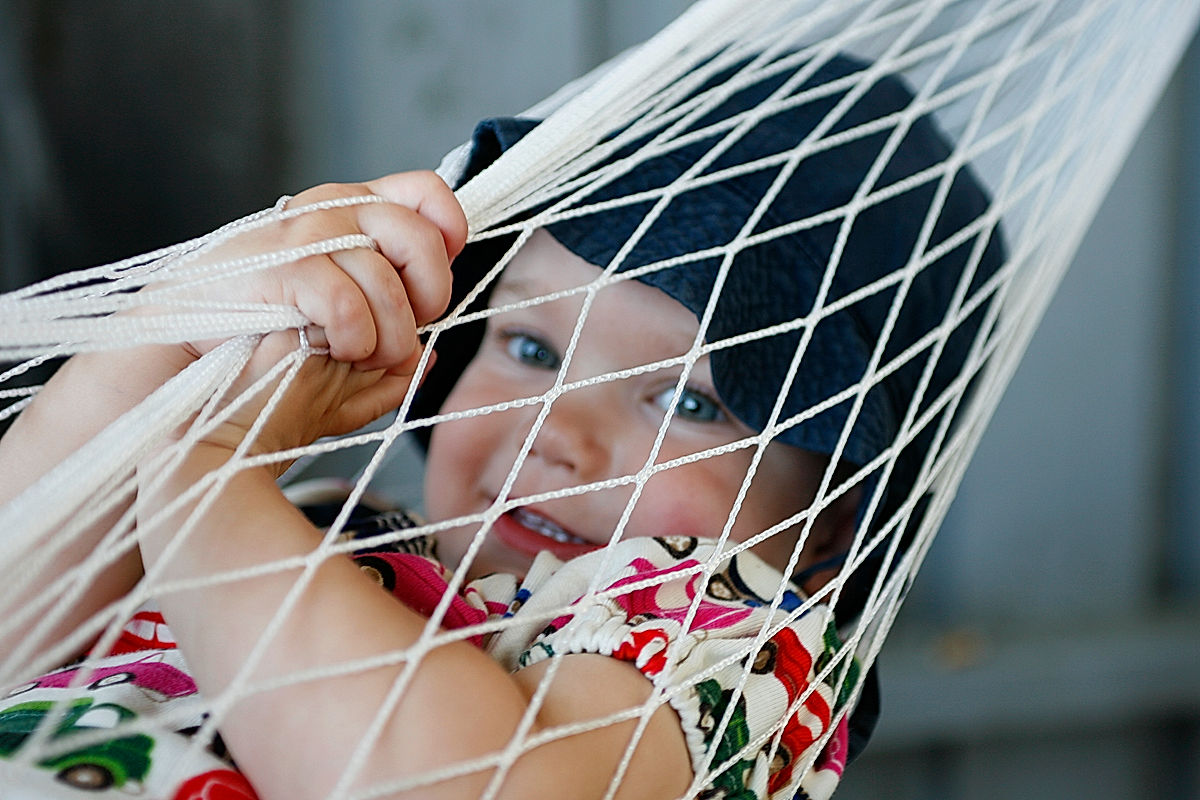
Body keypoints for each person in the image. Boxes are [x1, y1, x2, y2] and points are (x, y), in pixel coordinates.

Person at [0, 54, 1001, 800]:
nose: (555, 433)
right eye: (529, 346)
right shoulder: (325, 525)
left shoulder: (732, 648)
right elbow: (18, 589)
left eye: (688, 401)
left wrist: (205, 478)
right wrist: (181, 334)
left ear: (834, 519)